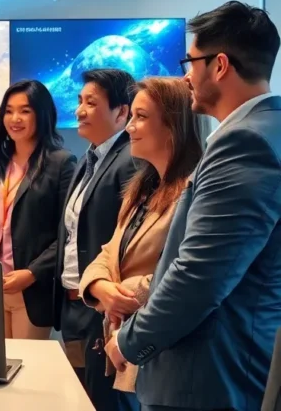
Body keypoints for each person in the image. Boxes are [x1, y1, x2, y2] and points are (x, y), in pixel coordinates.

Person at [107, 1, 281, 411]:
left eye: (190, 62)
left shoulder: (245, 142)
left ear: (219, 66)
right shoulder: (263, 131)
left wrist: (129, 341)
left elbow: (199, 275)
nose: (186, 76)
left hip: (206, 381)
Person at [79, 77, 204, 411]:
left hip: (159, 351)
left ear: (174, 125)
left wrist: (121, 293)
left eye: (141, 117)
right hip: (120, 342)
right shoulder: (141, 189)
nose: (130, 127)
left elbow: (183, 273)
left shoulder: (194, 192)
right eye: (131, 116)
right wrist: (100, 287)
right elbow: (108, 253)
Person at [0, 79, 77, 339]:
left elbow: (67, 231)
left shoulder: (61, 163)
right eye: (9, 111)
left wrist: (32, 273)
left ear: (42, 114)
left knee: (26, 363)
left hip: (31, 290)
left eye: (25, 111)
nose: (15, 119)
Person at [53, 69, 138, 409]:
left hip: (103, 308)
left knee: (105, 402)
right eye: (79, 101)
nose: (79, 111)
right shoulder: (89, 158)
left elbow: (129, 240)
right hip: (75, 304)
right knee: (78, 398)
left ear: (121, 112)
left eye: (91, 103)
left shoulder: (130, 161)